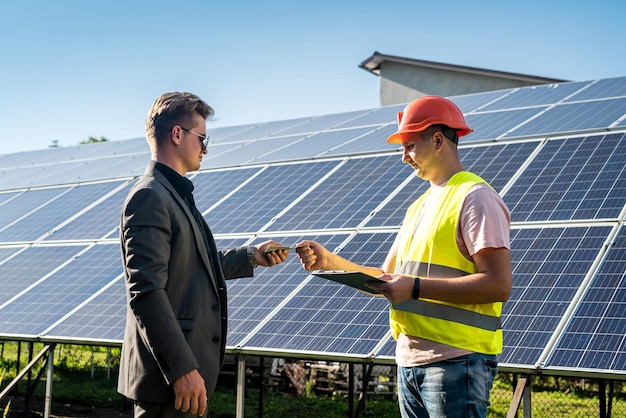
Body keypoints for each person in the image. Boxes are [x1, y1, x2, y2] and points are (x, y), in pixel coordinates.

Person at [295, 96, 512, 418]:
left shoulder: (475, 197)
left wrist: (415, 288)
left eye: (409, 145)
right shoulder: (419, 206)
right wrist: (331, 262)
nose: (404, 157)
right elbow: (388, 278)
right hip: (409, 361)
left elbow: (497, 285)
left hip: (457, 361)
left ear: (438, 140)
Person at [118, 92, 289, 417]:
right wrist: (181, 368)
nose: (206, 148)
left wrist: (253, 256)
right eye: (202, 137)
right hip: (169, 383)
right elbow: (146, 293)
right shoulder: (149, 198)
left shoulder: (174, 195)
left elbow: (192, 266)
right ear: (177, 134)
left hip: (183, 379)